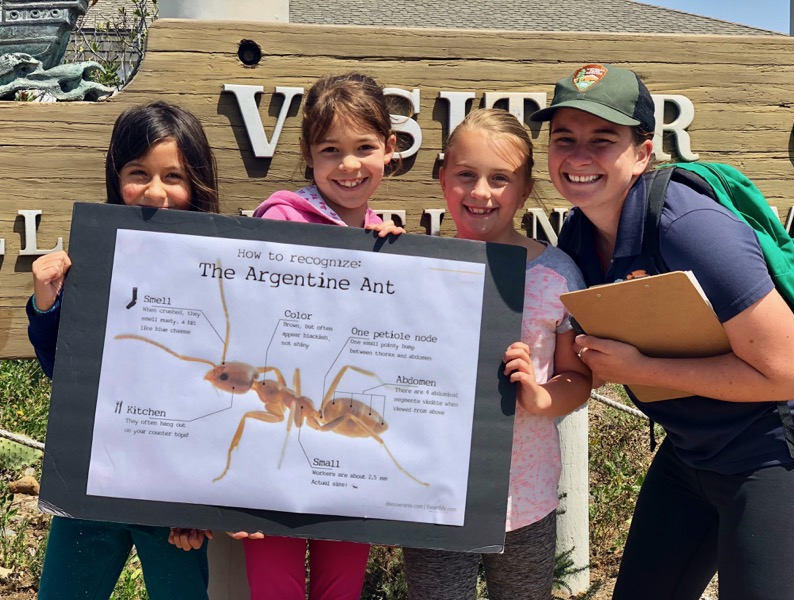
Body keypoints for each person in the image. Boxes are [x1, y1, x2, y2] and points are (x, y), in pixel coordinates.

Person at [532, 63, 794, 599]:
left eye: (602, 140)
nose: (578, 156)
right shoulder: (580, 232)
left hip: (773, 454)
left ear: (642, 152)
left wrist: (644, 370)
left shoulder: (690, 229)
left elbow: (791, 371)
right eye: (565, 139)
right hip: (689, 453)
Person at [27, 100, 218, 600]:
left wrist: (203, 504)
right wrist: (47, 305)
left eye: (174, 175)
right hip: (94, 481)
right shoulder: (93, 259)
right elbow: (61, 372)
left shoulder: (224, 272)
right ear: (116, 178)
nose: (155, 192)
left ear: (197, 182)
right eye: (139, 173)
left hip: (175, 497)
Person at [402, 108, 592, 600]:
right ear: (443, 177)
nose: (480, 193)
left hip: (525, 497)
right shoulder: (414, 268)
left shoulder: (556, 275)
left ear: (525, 189)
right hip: (435, 495)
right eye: (466, 174)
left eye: (500, 179)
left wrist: (540, 397)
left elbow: (578, 377)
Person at [226, 72, 403, 600]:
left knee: (341, 588)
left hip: (347, 457)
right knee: (273, 587)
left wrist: (398, 263)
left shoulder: (384, 234)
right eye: (331, 150)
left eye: (364, 148)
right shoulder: (279, 219)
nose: (348, 165)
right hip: (271, 456)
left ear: (390, 150)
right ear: (308, 153)